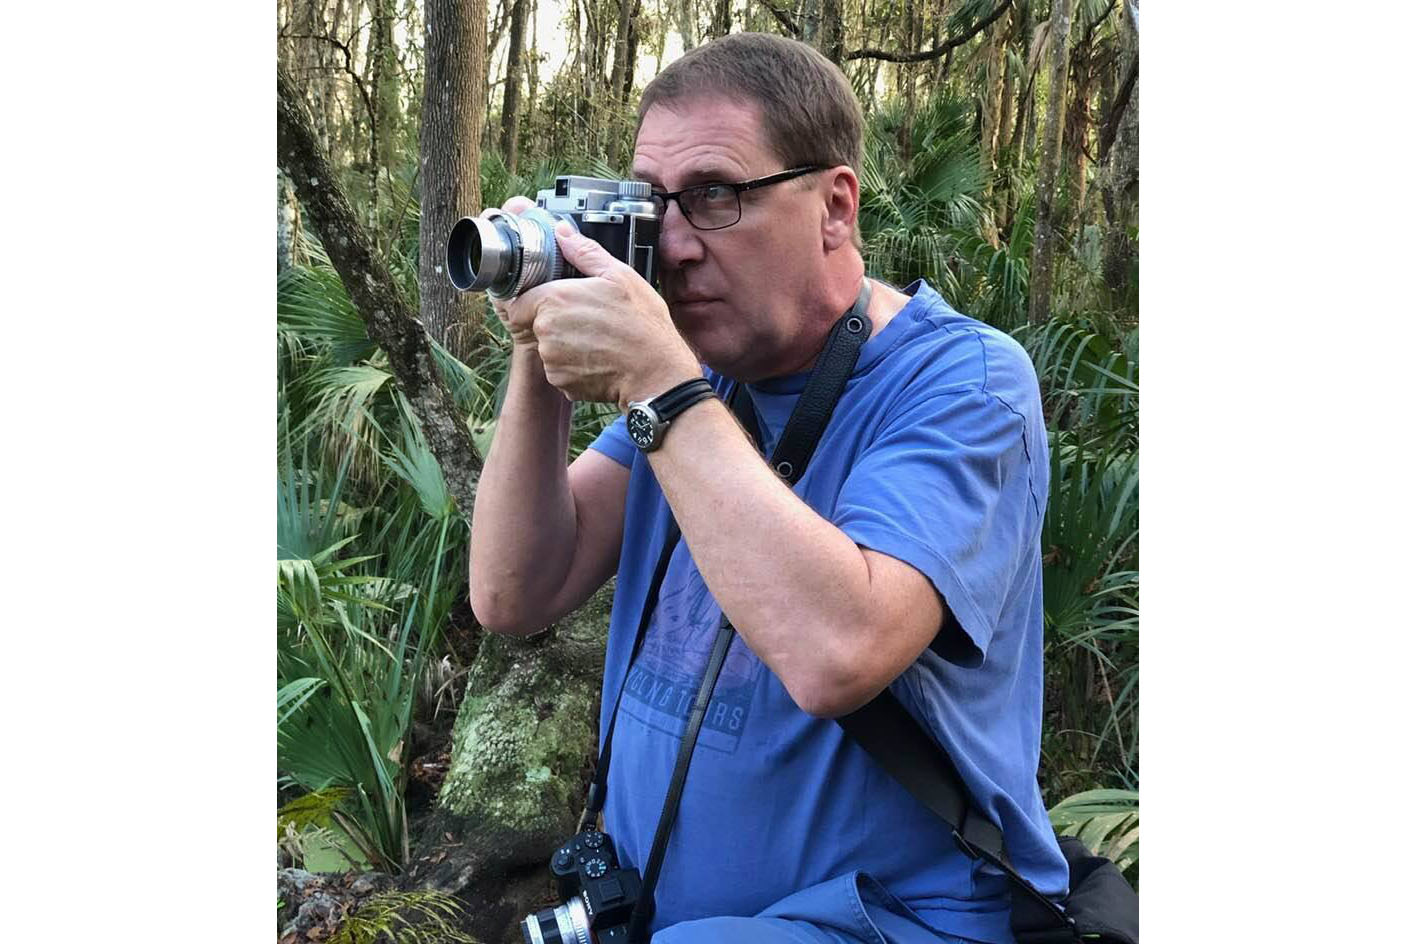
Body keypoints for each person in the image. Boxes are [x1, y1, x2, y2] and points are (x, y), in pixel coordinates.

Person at [468, 32, 1067, 944]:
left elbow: (839, 652)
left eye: (713, 196)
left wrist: (663, 387)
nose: (671, 244)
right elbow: (515, 591)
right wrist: (536, 351)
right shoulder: (707, 385)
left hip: (892, 920)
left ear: (834, 206)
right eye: (653, 201)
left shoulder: (963, 382)